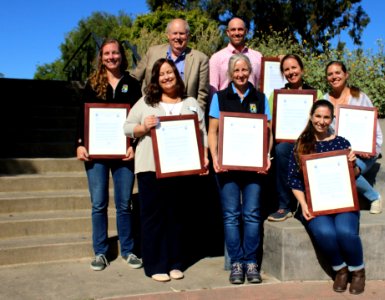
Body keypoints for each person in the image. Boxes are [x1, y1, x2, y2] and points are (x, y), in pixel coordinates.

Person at [124, 58, 209, 282]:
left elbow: (202, 133)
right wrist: (143, 127)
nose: (166, 77)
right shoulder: (146, 102)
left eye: (170, 72)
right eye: (161, 74)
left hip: (181, 169)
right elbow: (126, 127)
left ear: (176, 75)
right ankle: (155, 265)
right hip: (150, 168)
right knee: (153, 217)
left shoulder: (190, 102)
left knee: (177, 216)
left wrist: (205, 158)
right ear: (156, 78)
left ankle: (175, 263)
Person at [75, 38, 143, 271]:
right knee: (99, 204)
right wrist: (80, 143)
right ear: (101, 57)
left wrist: (134, 144)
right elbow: (80, 118)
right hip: (96, 155)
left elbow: (139, 118)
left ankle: (128, 250)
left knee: (124, 204)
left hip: (123, 153)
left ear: (121, 56)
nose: (111, 57)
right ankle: (101, 252)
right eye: (106, 53)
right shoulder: (92, 83)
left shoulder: (132, 84)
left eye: (115, 53)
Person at [287, 99, 366, 295]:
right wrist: (303, 204)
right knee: (325, 232)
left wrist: (353, 164)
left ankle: (357, 271)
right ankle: (340, 269)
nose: (321, 121)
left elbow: (354, 174)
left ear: (332, 119)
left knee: (345, 232)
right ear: (311, 117)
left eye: (326, 117)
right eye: (318, 116)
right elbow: (293, 180)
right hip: (316, 204)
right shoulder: (301, 145)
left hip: (343, 201)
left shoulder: (341, 142)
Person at [208, 54, 273, 285]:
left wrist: (266, 156)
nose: (241, 74)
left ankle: (251, 262)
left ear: (250, 72)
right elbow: (213, 131)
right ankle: (236, 262)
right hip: (227, 168)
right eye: (236, 70)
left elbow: (267, 132)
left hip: (254, 168)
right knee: (231, 216)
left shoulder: (261, 97)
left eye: (245, 70)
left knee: (253, 215)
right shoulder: (220, 98)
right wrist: (215, 157)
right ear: (230, 73)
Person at [267, 54, 324, 222]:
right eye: (286, 69)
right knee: (282, 149)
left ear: (302, 69)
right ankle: (285, 206)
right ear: (283, 73)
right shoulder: (276, 95)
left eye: (294, 68)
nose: (291, 72)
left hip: (309, 140)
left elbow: (321, 120)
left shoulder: (316, 93)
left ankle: (311, 202)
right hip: (286, 143)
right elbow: (271, 124)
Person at [324, 61, 383, 214]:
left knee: (346, 168)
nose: (334, 77)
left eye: (338, 72)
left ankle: (374, 197)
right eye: (330, 74)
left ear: (346, 75)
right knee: (341, 163)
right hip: (338, 153)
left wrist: (370, 149)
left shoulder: (360, 98)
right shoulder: (324, 100)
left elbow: (374, 128)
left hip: (363, 154)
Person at [131, 18, 209, 111]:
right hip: (152, 108)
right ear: (168, 35)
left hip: (184, 112)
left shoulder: (200, 59)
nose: (178, 37)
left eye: (182, 33)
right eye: (174, 33)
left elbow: (202, 94)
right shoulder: (152, 52)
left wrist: (195, 116)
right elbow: (134, 79)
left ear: (188, 36)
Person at [209, 17, 263, 97]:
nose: (237, 33)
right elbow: (213, 90)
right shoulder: (216, 58)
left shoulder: (258, 57)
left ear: (246, 31)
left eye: (240, 29)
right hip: (225, 107)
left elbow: (262, 86)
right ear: (228, 32)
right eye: (233, 30)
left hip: (251, 106)